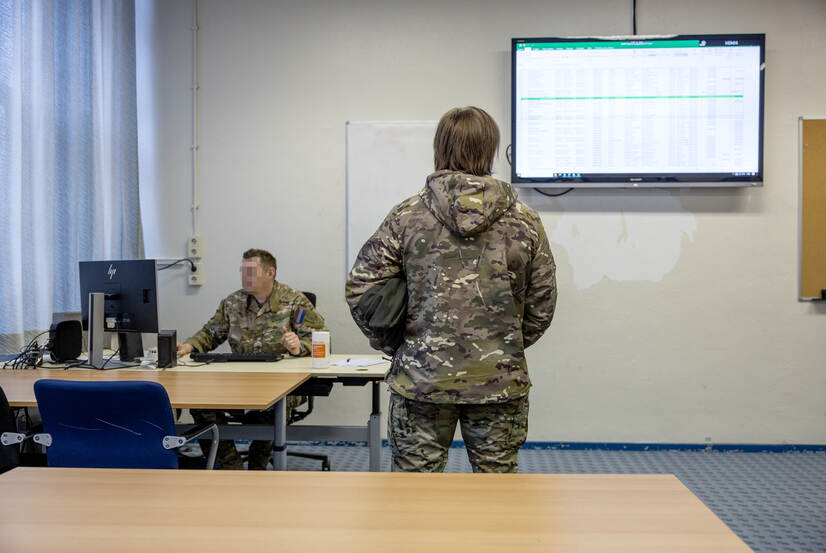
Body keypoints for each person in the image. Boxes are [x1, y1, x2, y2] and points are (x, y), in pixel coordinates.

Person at [345, 106, 556, 473]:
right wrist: (504, 343)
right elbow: (543, 302)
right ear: (490, 150)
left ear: (439, 148)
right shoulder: (525, 221)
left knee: (414, 497)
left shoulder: (407, 216)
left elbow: (363, 289)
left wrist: (399, 345)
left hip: (420, 380)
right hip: (498, 381)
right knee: (498, 493)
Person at [178, 248, 326, 469]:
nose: (244, 276)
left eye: (251, 271)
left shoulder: (295, 301)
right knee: (201, 406)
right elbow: (210, 333)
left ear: (270, 273)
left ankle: (258, 471)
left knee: (270, 413)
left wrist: (299, 347)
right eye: (242, 271)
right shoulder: (232, 303)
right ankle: (232, 468)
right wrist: (187, 346)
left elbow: (320, 340)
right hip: (238, 380)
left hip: (281, 384)